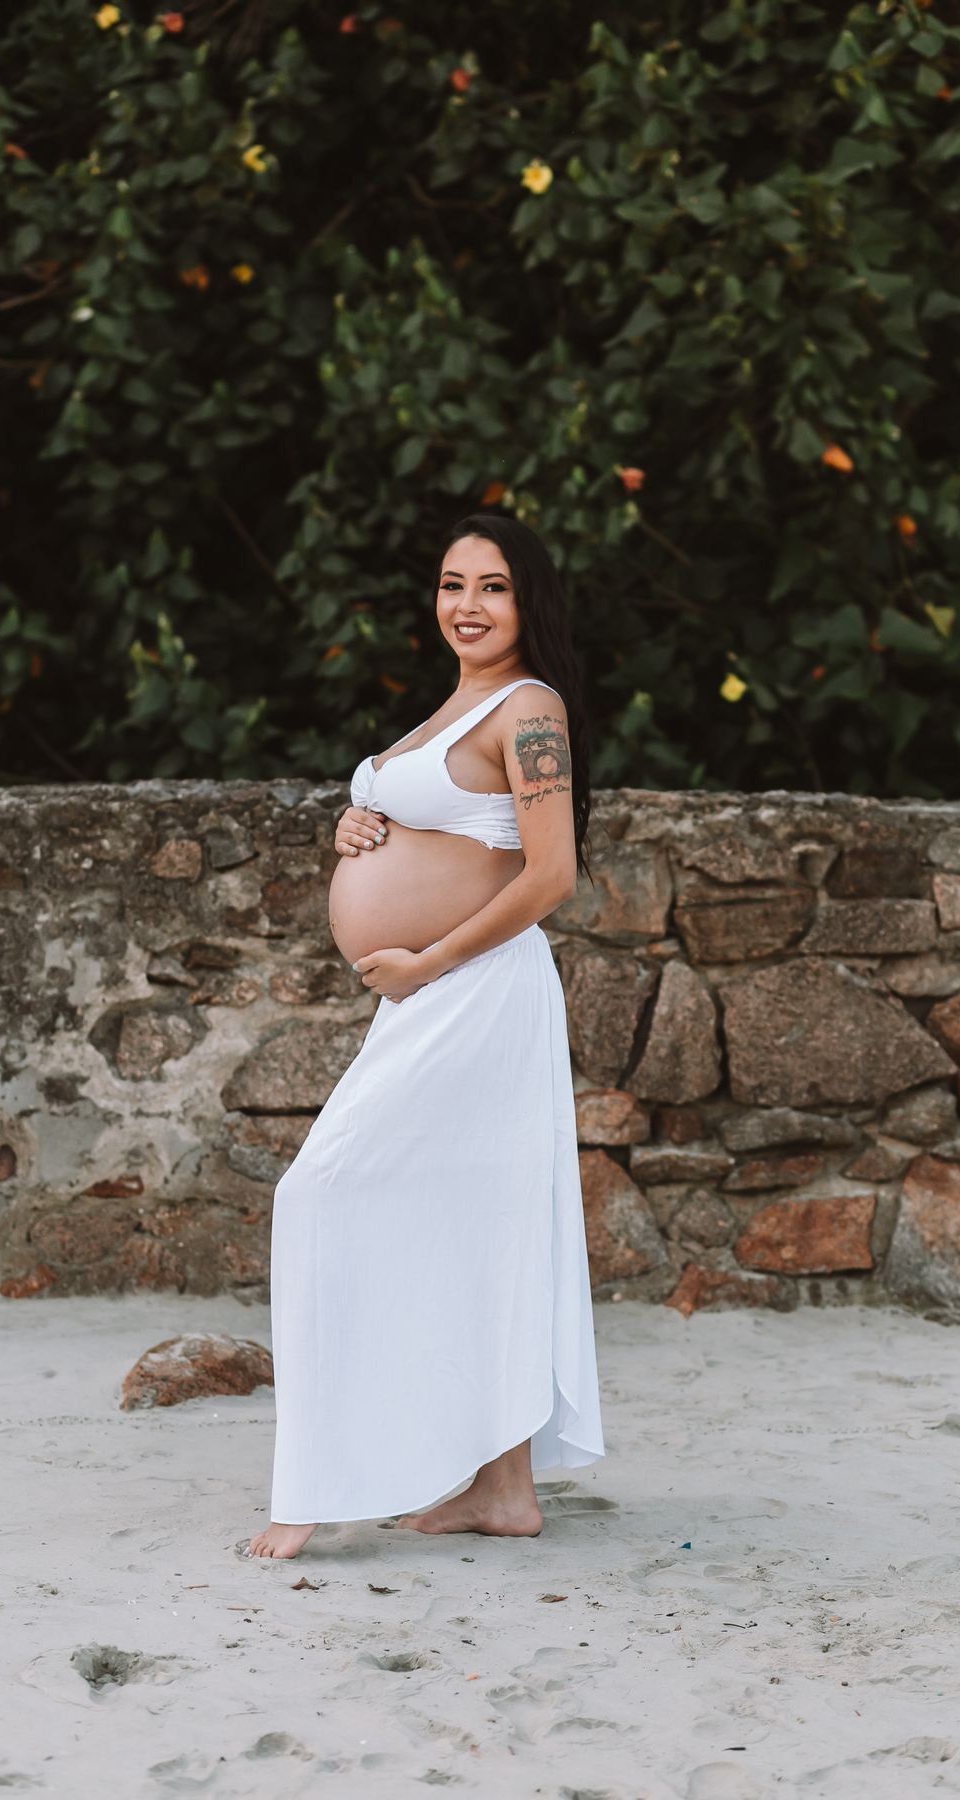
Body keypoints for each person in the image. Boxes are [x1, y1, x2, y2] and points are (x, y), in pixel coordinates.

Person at [246, 513, 604, 1560]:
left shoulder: (530, 707)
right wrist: (359, 825)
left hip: (473, 989)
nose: (468, 605)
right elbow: (440, 822)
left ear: (528, 601)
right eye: (453, 584)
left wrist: (428, 962)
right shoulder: (454, 704)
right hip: (431, 992)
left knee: (319, 1192)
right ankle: (504, 1489)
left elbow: (550, 873)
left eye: (493, 587)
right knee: (476, 1217)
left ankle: (313, 1487)